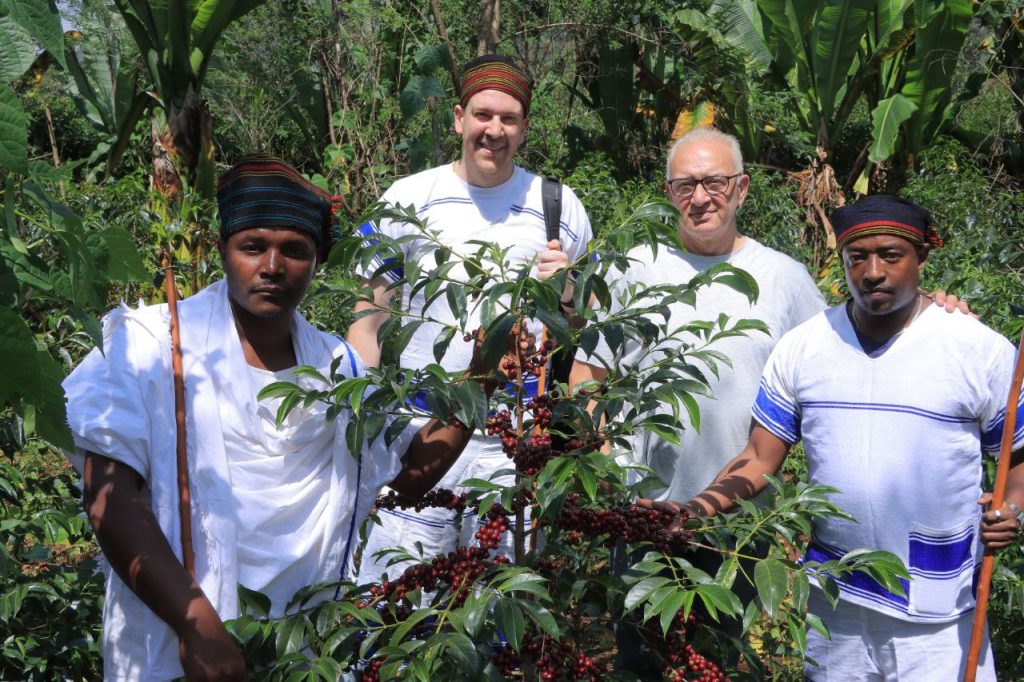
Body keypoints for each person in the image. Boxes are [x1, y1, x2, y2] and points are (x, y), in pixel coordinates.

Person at [62, 155, 521, 681]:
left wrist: (483, 373)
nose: (273, 267)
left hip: (303, 653)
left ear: (316, 263)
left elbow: (411, 474)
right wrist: (196, 627)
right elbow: (111, 499)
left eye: (295, 251)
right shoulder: (146, 347)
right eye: (253, 246)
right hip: (178, 647)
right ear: (223, 250)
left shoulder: (336, 368)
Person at [652, 194, 1024, 681]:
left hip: (940, 612)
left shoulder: (979, 351)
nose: (872, 272)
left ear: (922, 258)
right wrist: (695, 508)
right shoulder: (804, 347)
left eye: (891, 255)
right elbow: (761, 457)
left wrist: (1012, 511)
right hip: (834, 603)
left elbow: (1015, 460)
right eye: (857, 257)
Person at [347, 55, 593, 581]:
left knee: (504, 604)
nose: (494, 130)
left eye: (509, 119)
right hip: (421, 429)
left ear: (525, 128)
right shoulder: (407, 199)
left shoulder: (558, 204)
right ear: (459, 118)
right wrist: (364, 430)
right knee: (400, 593)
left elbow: (583, 334)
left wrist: (569, 290)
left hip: (515, 439)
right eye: (483, 115)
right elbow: (367, 320)